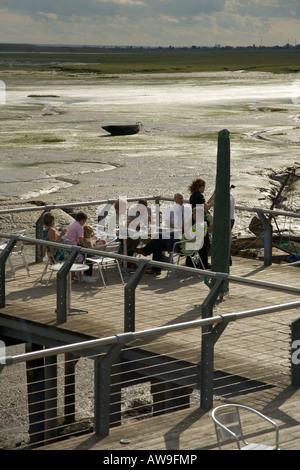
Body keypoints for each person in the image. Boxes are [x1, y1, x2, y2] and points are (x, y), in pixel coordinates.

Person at [136, 193, 192, 275]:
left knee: (159, 236)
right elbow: (167, 222)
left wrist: (176, 224)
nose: (182, 200)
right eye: (180, 198)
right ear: (175, 200)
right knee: (157, 244)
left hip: (180, 243)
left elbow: (184, 225)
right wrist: (177, 225)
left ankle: (145, 250)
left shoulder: (187, 210)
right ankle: (156, 269)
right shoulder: (171, 209)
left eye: (182, 198)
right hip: (173, 238)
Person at [188, 178, 215, 269]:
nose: (204, 189)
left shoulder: (193, 196)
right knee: (205, 243)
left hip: (194, 220)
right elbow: (206, 207)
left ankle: (189, 261)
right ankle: (204, 263)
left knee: (197, 241)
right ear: (201, 186)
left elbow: (204, 204)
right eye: (204, 186)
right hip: (201, 221)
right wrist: (214, 201)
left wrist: (213, 196)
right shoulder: (199, 196)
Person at [66, 211, 96, 283]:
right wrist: (86, 247)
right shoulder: (79, 227)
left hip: (68, 246)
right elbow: (81, 239)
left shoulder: (71, 224)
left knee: (84, 255)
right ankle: (87, 275)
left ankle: (76, 275)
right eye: (84, 221)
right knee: (90, 255)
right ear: (82, 220)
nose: (84, 223)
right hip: (74, 247)